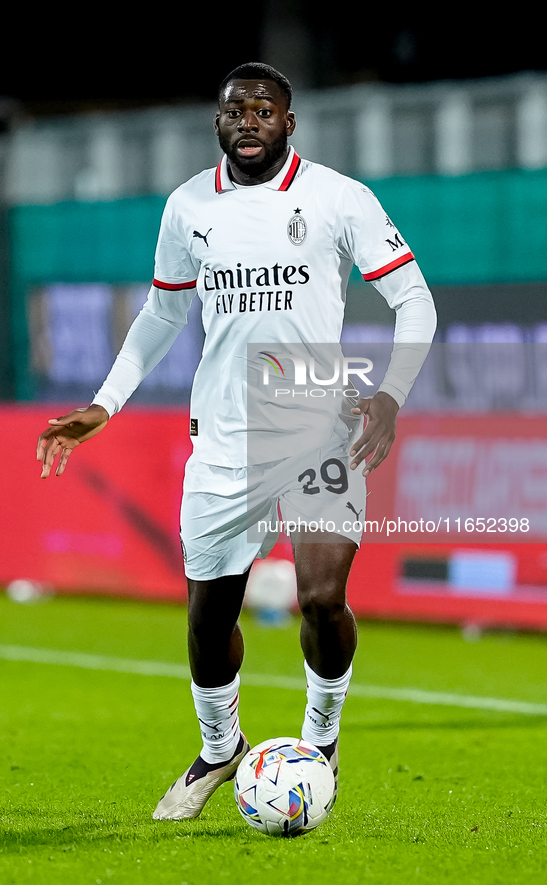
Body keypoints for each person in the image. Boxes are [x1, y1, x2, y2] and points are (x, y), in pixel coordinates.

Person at [37, 62, 437, 821]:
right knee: (208, 616)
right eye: (233, 111)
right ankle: (219, 747)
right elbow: (160, 316)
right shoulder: (189, 205)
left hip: (316, 419)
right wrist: (103, 403)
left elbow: (413, 298)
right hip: (221, 434)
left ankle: (320, 740)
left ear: (289, 122)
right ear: (216, 123)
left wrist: (389, 394)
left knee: (321, 596)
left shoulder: (337, 198)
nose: (247, 120)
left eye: (263, 109)